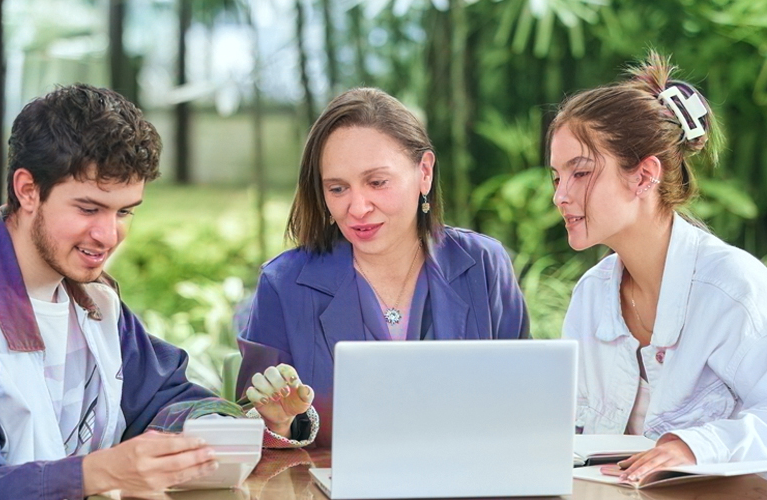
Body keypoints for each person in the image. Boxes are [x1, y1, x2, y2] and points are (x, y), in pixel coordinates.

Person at [0, 84, 318, 500]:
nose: (108, 236)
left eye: (124, 212)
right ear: (27, 190)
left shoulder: (97, 301)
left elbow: (169, 399)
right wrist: (95, 473)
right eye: (88, 208)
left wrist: (258, 423)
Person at [238, 87, 530, 445]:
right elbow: (251, 433)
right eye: (338, 188)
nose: (358, 207)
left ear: (424, 172)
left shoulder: (484, 266)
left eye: (377, 182)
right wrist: (277, 424)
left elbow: (525, 407)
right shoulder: (283, 284)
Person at [549, 51, 767, 481]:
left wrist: (695, 444)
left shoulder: (733, 288)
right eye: (557, 177)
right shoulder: (590, 297)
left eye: (580, 172)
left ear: (645, 175)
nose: (560, 196)